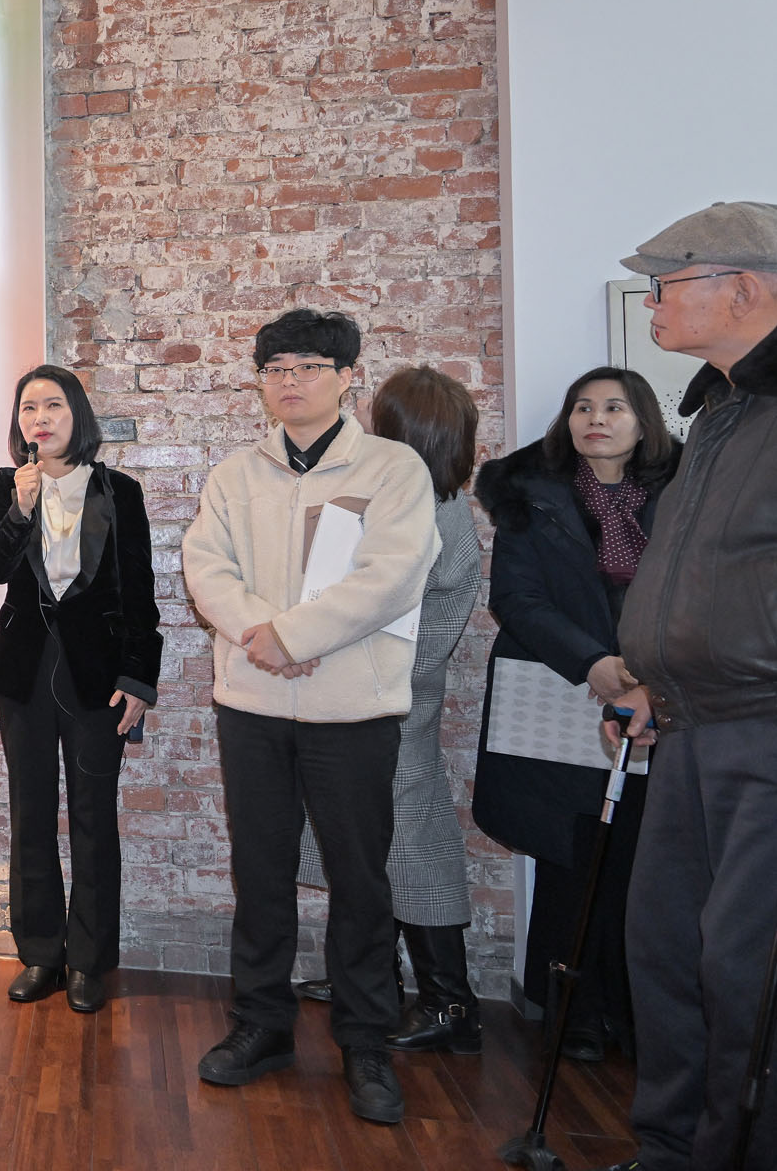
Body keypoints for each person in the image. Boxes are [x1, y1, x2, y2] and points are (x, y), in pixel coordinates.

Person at [182, 308, 438, 1125]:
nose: (289, 382)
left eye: (308, 367)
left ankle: (365, 1039)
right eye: (275, 369)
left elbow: (391, 576)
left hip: (351, 708)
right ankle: (262, 1023)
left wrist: (292, 636)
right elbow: (205, 566)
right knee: (260, 871)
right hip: (253, 705)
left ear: (347, 378)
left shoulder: (393, 469)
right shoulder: (235, 474)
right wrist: (264, 637)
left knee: (359, 879)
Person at [598, 202, 777, 1171]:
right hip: (688, 721)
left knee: (746, 973)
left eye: (668, 283)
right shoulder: (718, 411)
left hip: (763, 728)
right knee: (666, 951)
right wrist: (656, 678)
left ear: (744, 287)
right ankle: (669, 1150)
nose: (653, 302)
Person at [472, 366, 676, 1064]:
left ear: (643, 422)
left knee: (644, 860)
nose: (597, 419)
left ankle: (636, 1015)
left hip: (660, 698)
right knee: (572, 857)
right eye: (583, 407)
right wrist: (594, 664)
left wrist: (645, 672)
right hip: (563, 693)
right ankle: (573, 1014)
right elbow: (516, 599)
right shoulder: (532, 495)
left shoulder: (683, 495)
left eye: (615, 407)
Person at [296, 367, 486, 1054]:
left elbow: (408, 626)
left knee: (410, 848)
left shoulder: (434, 515)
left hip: (395, 705)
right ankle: (369, 980)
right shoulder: (404, 503)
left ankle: (450, 1004)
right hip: (367, 697)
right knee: (363, 845)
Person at [0, 364, 161, 1013]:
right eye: (29, 408)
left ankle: (88, 960)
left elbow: (139, 592)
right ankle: (40, 953)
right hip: (24, 671)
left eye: (53, 405)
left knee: (92, 816)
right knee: (30, 813)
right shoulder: (6, 487)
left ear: (76, 414)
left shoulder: (119, 491)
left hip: (97, 676)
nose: (40, 418)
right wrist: (20, 511)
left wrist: (139, 677)